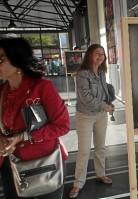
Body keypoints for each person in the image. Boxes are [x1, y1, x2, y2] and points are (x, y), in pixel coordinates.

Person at [0, 37, 70, 199]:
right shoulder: (2, 92)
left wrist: (24, 136)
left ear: (17, 61)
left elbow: (63, 125)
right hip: (12, 167)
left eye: (1, 59)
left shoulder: (42, 88)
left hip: (45, 165)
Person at [69, 44, 115, 198]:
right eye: (97, 53)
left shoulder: (101, 72)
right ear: (90, 55)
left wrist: (109, 103)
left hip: (101, 115)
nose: (100, 56)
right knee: (84, 150)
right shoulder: (82, 74)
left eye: (102, 54)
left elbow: (103, 92)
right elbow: (86, 98)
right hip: (85, 116)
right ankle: (78, 183)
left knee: (100, 147)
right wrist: (104, 105)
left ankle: (100, 174)